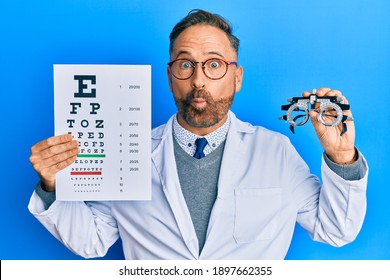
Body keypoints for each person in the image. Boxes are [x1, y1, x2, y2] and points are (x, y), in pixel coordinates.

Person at [28, 9, 368, 260]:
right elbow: (92, 240)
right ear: (170, 75)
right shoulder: (128, 152)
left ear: (237, 78)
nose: (199, 80)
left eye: (215, 64)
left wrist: (342, 158)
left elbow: (335, 230)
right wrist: (51, 187)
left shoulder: (275, 152)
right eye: (185, 64)